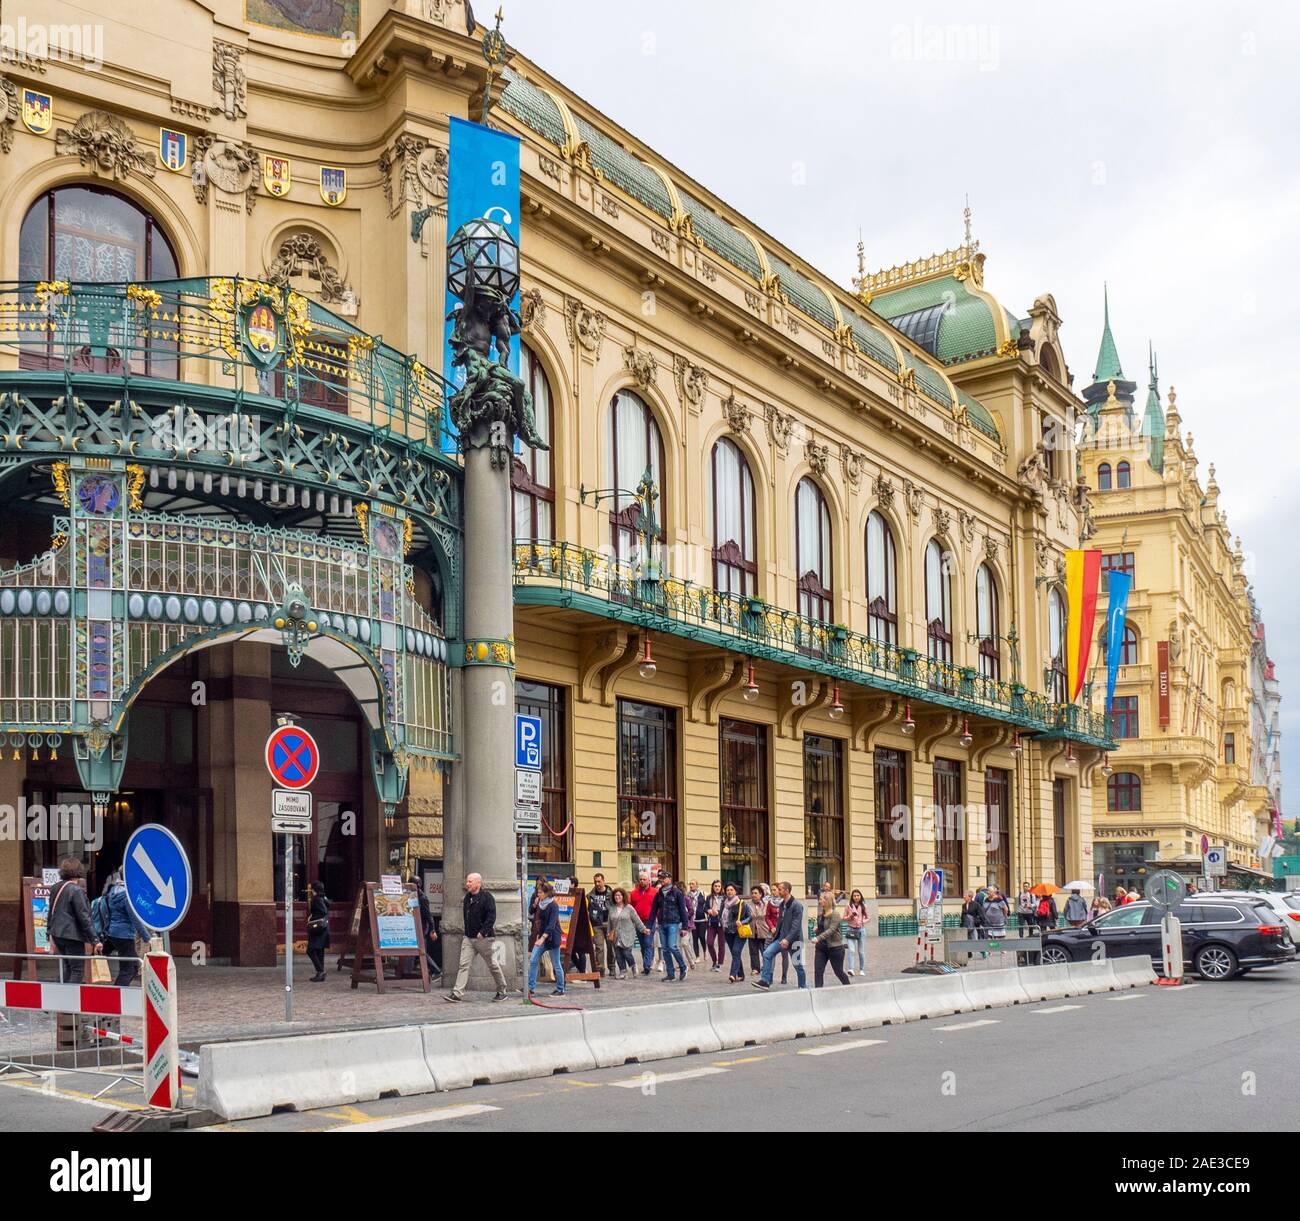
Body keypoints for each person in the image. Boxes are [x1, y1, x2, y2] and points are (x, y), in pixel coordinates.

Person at [447, 872, 509, 1002]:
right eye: (467, 881)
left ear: (478, 883)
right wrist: (467, 932)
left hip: (484, 939)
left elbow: (491, 917)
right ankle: (457, 993)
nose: (467, 884)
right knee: (463, 965)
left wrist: (483, 932)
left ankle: (502, 990)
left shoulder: (487, 897)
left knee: (492, 964)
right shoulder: (467, 898)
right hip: (469, 938)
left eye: (470, 881)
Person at [91, 869, 150, 987]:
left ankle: (120, 993)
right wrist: (146, 937)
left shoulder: (113, 890)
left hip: (113, 932)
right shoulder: (127, 896)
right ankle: (117, 994)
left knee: (132, 966)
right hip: (124, 934)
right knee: (129, 968)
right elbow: (135, 918)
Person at [48, 858, 100, 983]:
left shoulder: (55, 887)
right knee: (77, 969)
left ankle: (59, 993)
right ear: (78, 871)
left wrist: (48, 932)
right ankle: (71, 998)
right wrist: (95, 940)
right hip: (72, 935)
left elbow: (51, 911)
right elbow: (84, 917)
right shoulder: (76, 890)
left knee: (67, 967)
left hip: (57, 933)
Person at [753, 881, 806, 989]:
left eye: (780, 889)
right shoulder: (782, 904)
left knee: (798, 965)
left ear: (786, 891)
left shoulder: (797, 905)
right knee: (767, 953)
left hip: (795, 940)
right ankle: (765, 981)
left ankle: (803, 987)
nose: (778, 891)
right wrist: (776, 934)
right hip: (780, 938)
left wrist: (787, 939)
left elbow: (796, 926)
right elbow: (780, 922)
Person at [648, 872, 689, 982]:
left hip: (673, 923)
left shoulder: (677, 893)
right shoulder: (659, 894)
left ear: (670, 879)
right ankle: (670, 974)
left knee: (672, 946)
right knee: (665, 949)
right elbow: (653, 911)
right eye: (660, 878)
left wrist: (685, 927)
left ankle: (683, 967)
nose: (662, 880)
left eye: (664, 878)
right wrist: (649, 925)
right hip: (661, 923)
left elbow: (682, 910)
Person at [528, 880, 565, 996]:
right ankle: (530, 988)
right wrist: (534, 904)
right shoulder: (540, 903)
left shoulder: (553, 905)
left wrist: (542, 938)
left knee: (556, 964)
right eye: (537, 892)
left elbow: (551, 924)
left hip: (552, 937)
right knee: (533, 960)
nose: (538, 894)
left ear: (546, 893)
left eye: (540, 892)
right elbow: (531, 912)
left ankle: (560, 989)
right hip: (542, 937)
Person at [811, 890, 851, 987]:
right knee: (818, 971)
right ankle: (818, 993)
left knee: (838, 972)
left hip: (835, 948)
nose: (819, 902)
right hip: (821, 948)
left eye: (821, 899)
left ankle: (849, 988)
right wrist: (817, 929)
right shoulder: (821, 914)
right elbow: (823, 927)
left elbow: (831, 930)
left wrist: (818, 938)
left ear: (827, 901)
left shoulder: (835, 914)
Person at [607, 887, 646, 979]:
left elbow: (637, 920)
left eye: (619, 895)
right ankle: (622, 971)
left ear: (623, 896)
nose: (617, 897)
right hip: (616, 935)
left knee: (626, 953)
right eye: (615, 895)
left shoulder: (629, 908)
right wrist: (608, 933)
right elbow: (610, 922)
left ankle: (633, 966)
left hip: (627, 934)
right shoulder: (612, 909)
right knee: (618, 954)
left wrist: (643, 929)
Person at [628, 871, 657, 975]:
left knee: (647, 942)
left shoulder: (655, 892)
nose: (642, 881)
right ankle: (647, 963)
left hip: (650, 921)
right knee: (642, 944)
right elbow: (631, 908)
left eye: (644, 879)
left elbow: (658, 906)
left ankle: (647, 965)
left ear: (649, 881)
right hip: (638, 922)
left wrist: (657, 918)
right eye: (640, 879)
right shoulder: (634, 893)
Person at [412, 880, 441, 980]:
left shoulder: (422, 898)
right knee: (418, 949)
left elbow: (429, 915)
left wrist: (432, 929)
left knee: (421, 950)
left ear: (418, 885)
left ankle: (436, 970)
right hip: (415, 926)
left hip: (422, 927)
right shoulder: (412, 896)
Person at [587, 873, 614, 977]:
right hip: (597, 924)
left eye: (599, 881)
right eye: (595, 881)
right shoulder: (590, 895)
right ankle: (600, 969)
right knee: (599, 948)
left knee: (610, 946)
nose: (597, 884)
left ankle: (611, 967)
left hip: (609, 923)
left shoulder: (611, 894)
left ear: (604, 881)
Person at [304, 880, 331, 982]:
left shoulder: (317, 899)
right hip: (323, 929)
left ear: (313, 889)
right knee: (319, 951)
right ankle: (320, 973)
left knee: (310, 950)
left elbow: (322, 911)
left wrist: (312, 917)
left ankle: (321, 971)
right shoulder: (323, 897)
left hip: (317, 929)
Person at [745, 884, 771, 974]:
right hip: (752, 931)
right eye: (752, 893)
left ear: (761, 894)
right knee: (753, 951)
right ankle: (755, 968)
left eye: (756, 893)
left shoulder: (766, 904)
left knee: (765, 951)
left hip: (764, 931)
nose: (754, 895)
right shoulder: (747, 904)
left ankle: (767, 967)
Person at [843, 889, 868, 976]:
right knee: (851, 950)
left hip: (860, 930)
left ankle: (862, 969)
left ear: (860, 896)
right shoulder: (848, 906)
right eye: (854, 896)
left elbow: (868, 917)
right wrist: (850, 916)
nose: (856, 897)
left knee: (861, 951)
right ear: (852, 897)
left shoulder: (864, 906)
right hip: (850, 929)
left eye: (858, 895)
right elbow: (844, 918)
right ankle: (851, 969)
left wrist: (862, 921)